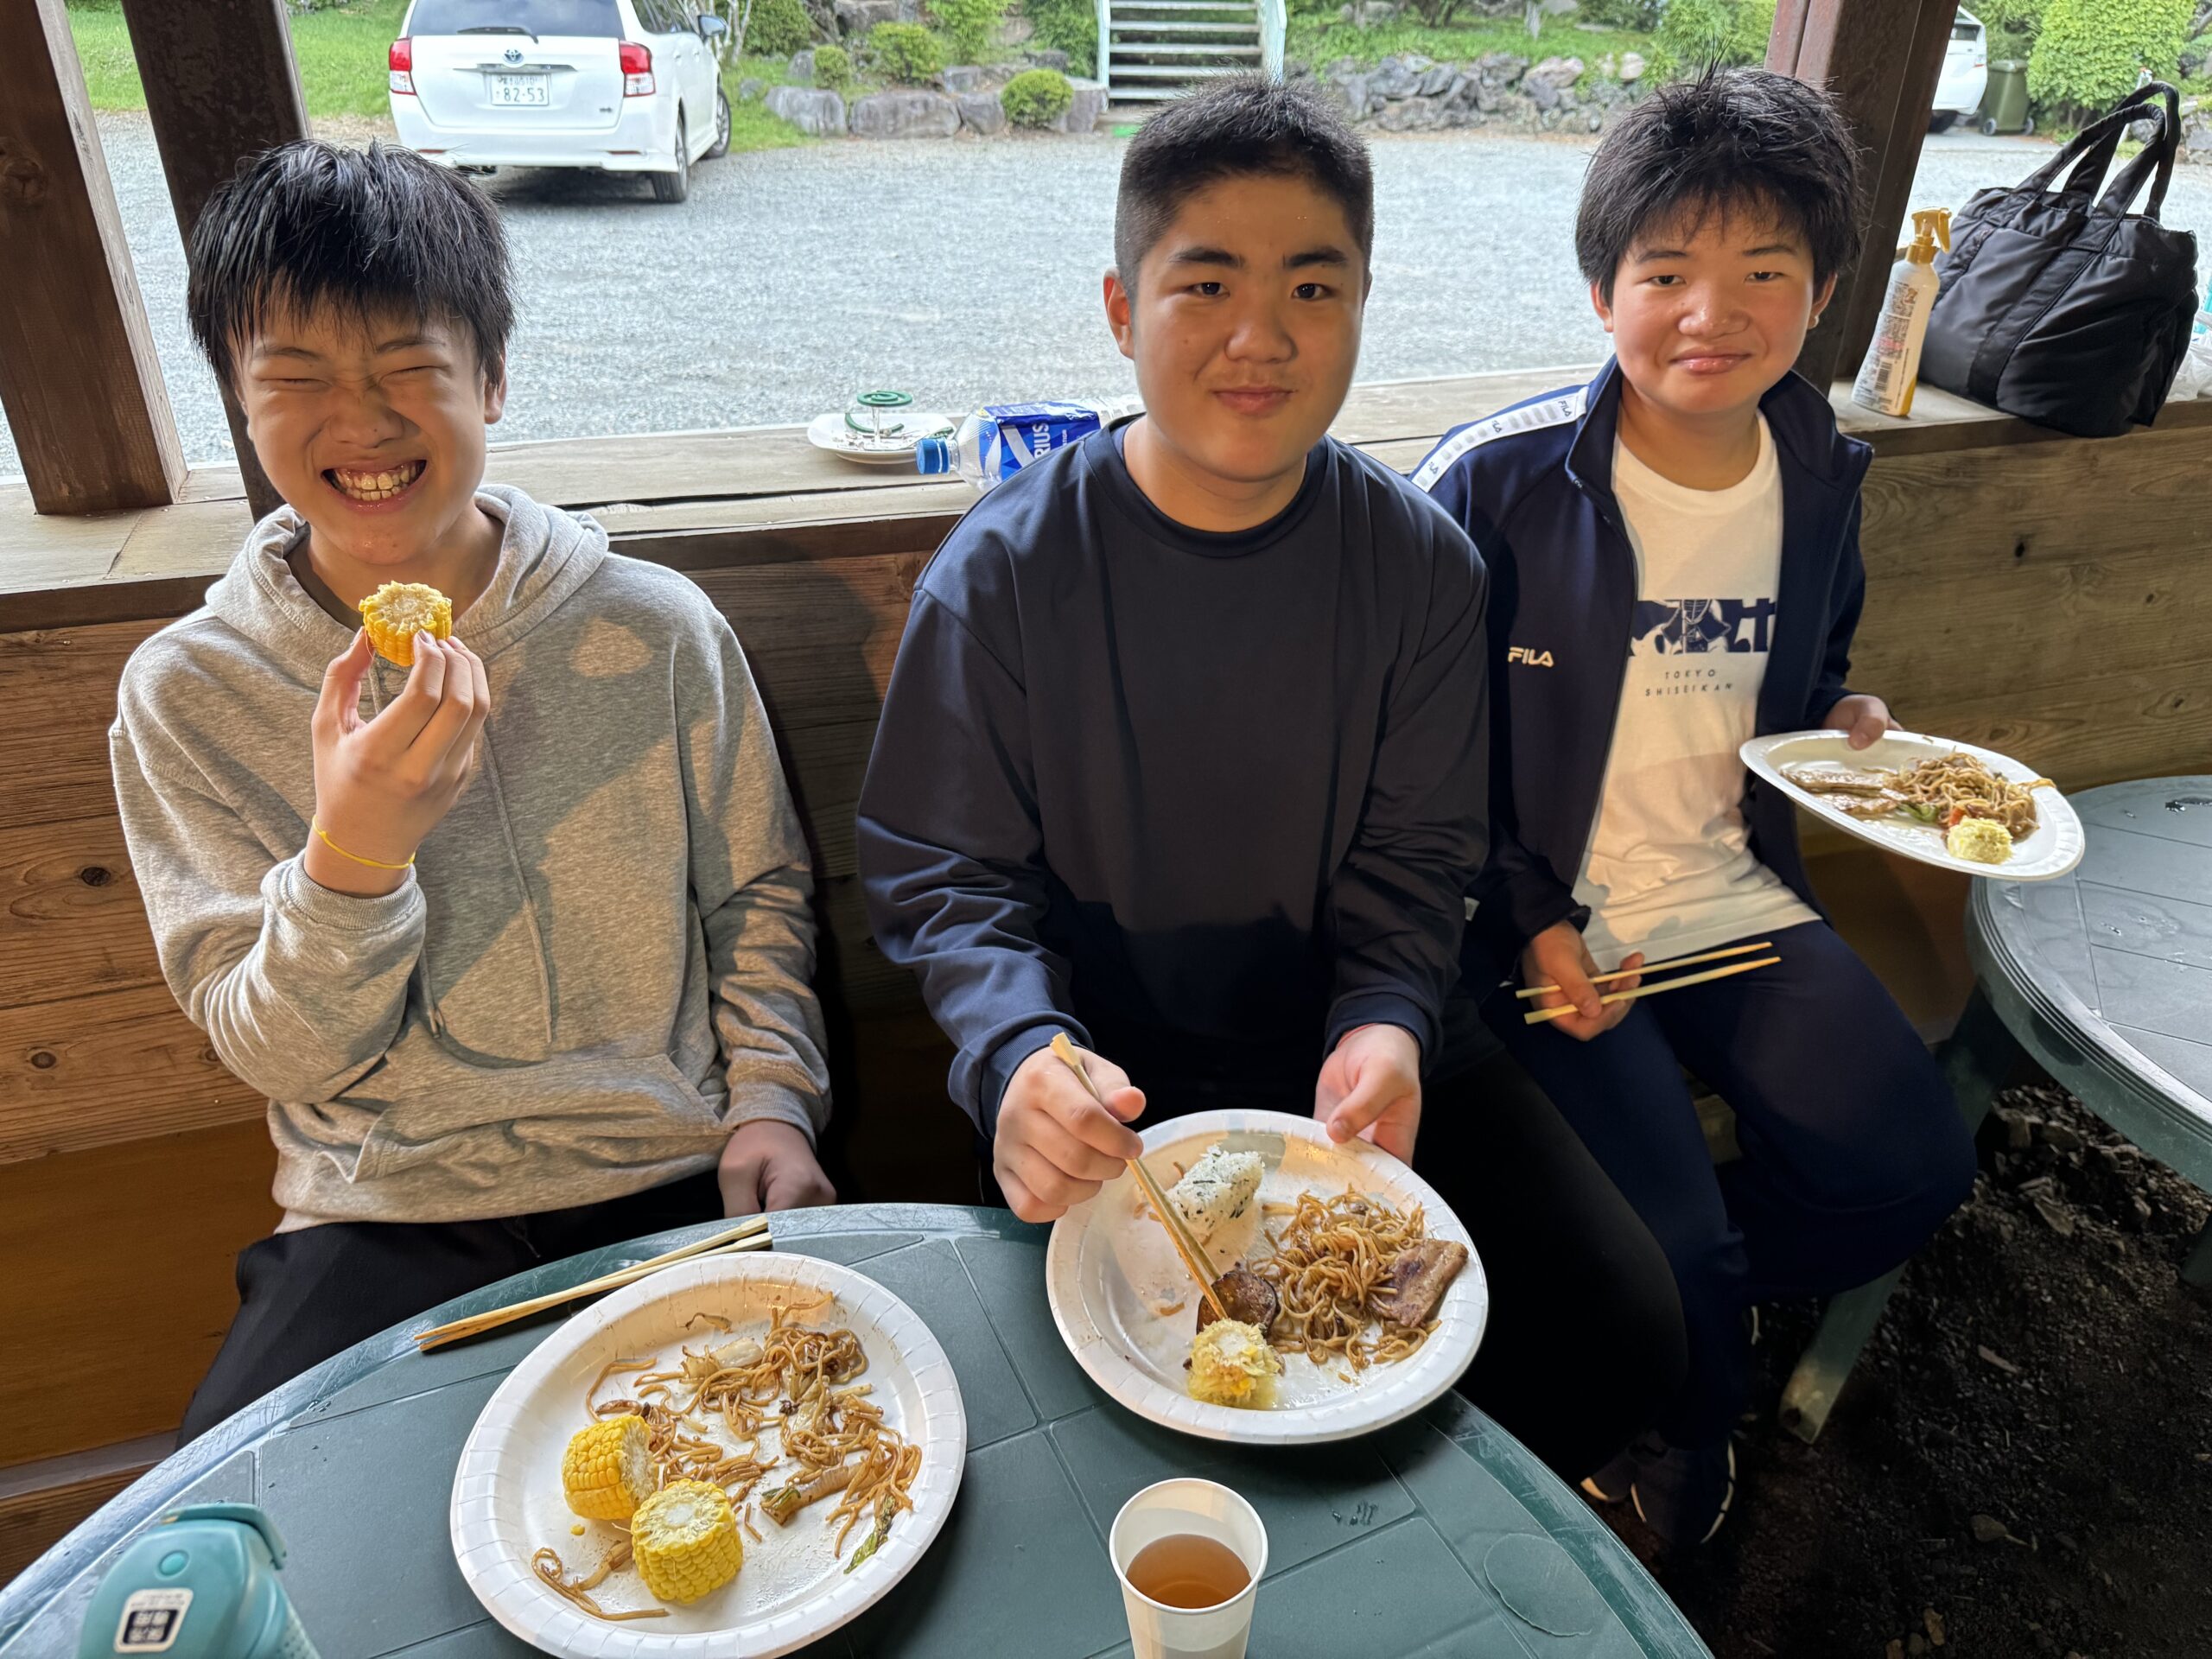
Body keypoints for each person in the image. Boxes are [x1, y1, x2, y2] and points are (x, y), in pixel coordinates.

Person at [858, 77, 1684, 1481]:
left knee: (1619, 1327)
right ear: (1122, 311)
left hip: (1352, 1045)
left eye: (1313, 287)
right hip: (1103, 1063)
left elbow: (1421, 853)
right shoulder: (1003, 574)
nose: (1261, 337)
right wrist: (1016, 1053)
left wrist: (1389, 1020)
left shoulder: (1424, 566)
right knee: (1094, 1420)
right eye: (1206, 287)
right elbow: (946, 874)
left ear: (1361, 305)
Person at [110, 142, 834, 1439]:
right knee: (254, 1527)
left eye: (407, 367)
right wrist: (352, 860)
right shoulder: (191, 691)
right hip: (379, 1213)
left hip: (665, 1170)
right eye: (296, 378)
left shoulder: (656, 628)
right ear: (238, 399)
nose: (361, 424)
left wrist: (774, 1103)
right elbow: (276, 1053)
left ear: (491, 377)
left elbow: (757, 893)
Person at [1413, 67, 1977, 1543]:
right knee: (1676, 1248)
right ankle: (1681, 1420)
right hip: (1544, 930)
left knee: (1913, 1171)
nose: (1709, 315)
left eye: (1764, 273)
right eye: (1666, 273)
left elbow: (1809, 670)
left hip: (1732, 893)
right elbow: (1415, 759)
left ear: (1825, 293)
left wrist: (1843, 721)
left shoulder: (1819, 470)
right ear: (1603, 288)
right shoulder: (1496, 485)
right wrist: (1528, 918)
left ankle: (1674, 1315)